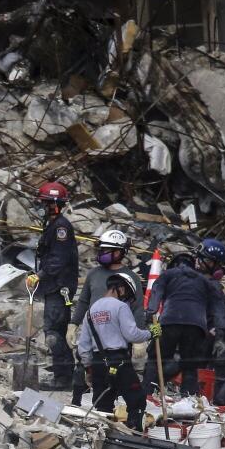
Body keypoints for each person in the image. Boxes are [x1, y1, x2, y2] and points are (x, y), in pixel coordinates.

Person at [143, 240, 225, 396]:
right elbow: (221, 313)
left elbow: (155, 291)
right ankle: (188, 400)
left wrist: (150, 312)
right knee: (190, 366)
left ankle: (147, 396)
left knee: (155, 360)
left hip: (168, 322)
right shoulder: (210, 284)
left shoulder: (169, 274)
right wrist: (221, 335)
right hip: (196, 328)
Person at [71, 229, 143, 406]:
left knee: (114, 381)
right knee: (83, 370)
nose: (101, 254)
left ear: (119, 252)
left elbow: (137, 308)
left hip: (117, 341)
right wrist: (73, 324)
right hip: (93, 336)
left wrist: (139, 339)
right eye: (101, 250)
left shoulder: (131, 278)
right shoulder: (94, 274)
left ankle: (111, 414)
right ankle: (77, 408)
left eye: (106, 250)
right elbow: (83, 301)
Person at [75, 274, 157, 429]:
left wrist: (89, 368)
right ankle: (135, 433)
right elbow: (132, 334)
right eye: (126, 294)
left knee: (102, 403)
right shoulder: (120, 307)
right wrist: (151, 333)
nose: (125, 299)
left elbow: (83, 345)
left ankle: (101, 435)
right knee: (136, 398)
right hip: (118, 360)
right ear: (120, 288)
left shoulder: (90, 311)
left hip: (98, 362)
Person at [34, 182, 78, 389]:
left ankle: (64, 378)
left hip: (59, 288)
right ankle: (63, 371)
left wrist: (40, 275)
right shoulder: (52, 224)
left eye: (44, 203)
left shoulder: (61, 227)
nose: (41, 206)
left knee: (53, 333)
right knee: (55, 331)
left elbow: (58, 259)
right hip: (53, 287)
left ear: (53, 205)